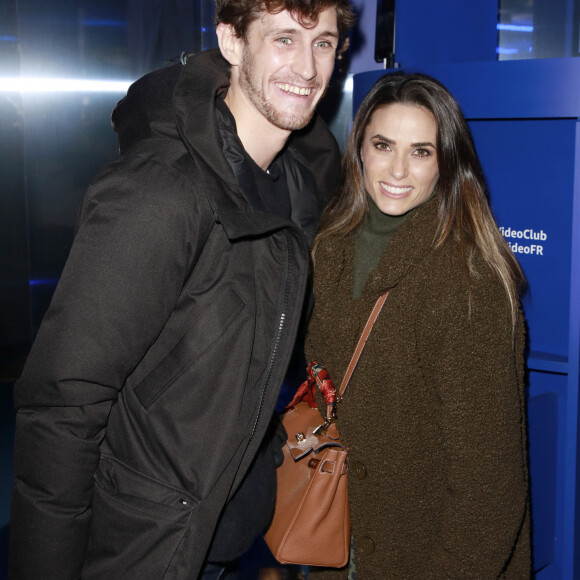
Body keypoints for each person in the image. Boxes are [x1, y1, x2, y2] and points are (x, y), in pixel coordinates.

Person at [8, 1, 355, 578]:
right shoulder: (162, 190)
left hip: (223, 542)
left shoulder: (296, 190)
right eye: (284, 39)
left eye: (322, 42)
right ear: (231, 41)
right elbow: (62, 406)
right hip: (141, 549)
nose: (307, 66)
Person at [304, 72, 531, 578]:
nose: (398, 169)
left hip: (426, 556)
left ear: (447, 164)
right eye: (383, 145)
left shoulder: (468, 281)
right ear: (359, 148)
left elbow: (488, 492)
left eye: (421, 151)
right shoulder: (330, 245)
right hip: (334, 539)